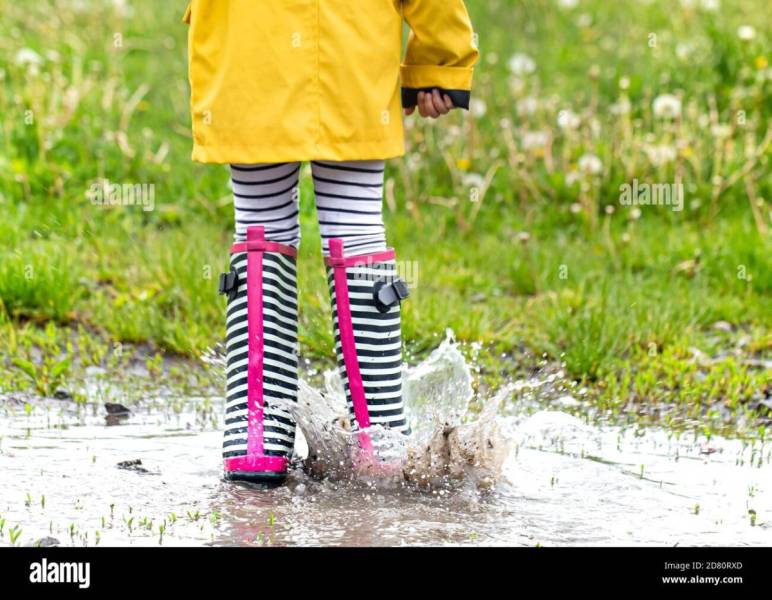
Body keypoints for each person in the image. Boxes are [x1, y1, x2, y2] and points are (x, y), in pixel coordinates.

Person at [182, 0, 479, 485]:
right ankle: (380, 437)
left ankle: (254, 434)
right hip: (350, 49)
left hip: (248, 46)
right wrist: (441, 60)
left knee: (260, 228)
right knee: (357, 227)